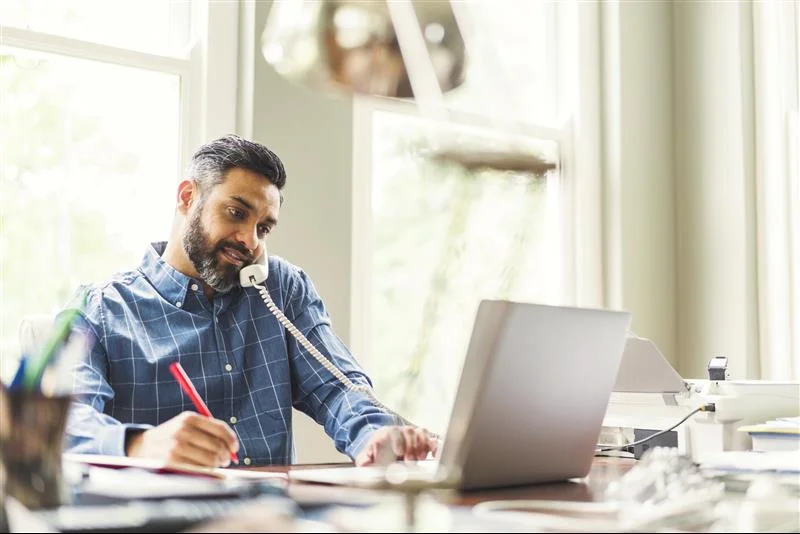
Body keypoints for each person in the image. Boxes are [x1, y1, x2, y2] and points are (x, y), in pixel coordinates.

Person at [63, 135, 437, 467]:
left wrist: (373, 435)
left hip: (271, 513)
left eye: (263, 228)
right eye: (236, 213)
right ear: (188, 197)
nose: (249, 240)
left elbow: (337, 386)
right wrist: (139, 444)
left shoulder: (282, 290)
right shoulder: (101, 310)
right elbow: (64, 421)